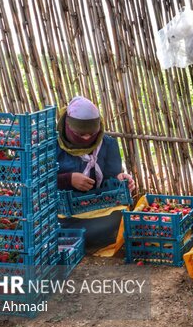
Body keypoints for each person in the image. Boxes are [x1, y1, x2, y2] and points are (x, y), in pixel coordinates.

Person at [56, 96, 135, 252]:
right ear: (68, 127)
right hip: (66, 215)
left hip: (99, 210)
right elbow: (38, 183)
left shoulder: (108, 144)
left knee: (120, 217)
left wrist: (121, 179)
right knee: (58, 225)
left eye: (91, 134)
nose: (86, 138)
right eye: (81, 134)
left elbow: (112, 176)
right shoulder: (53, 146)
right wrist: (68, 179)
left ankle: (87, 238)